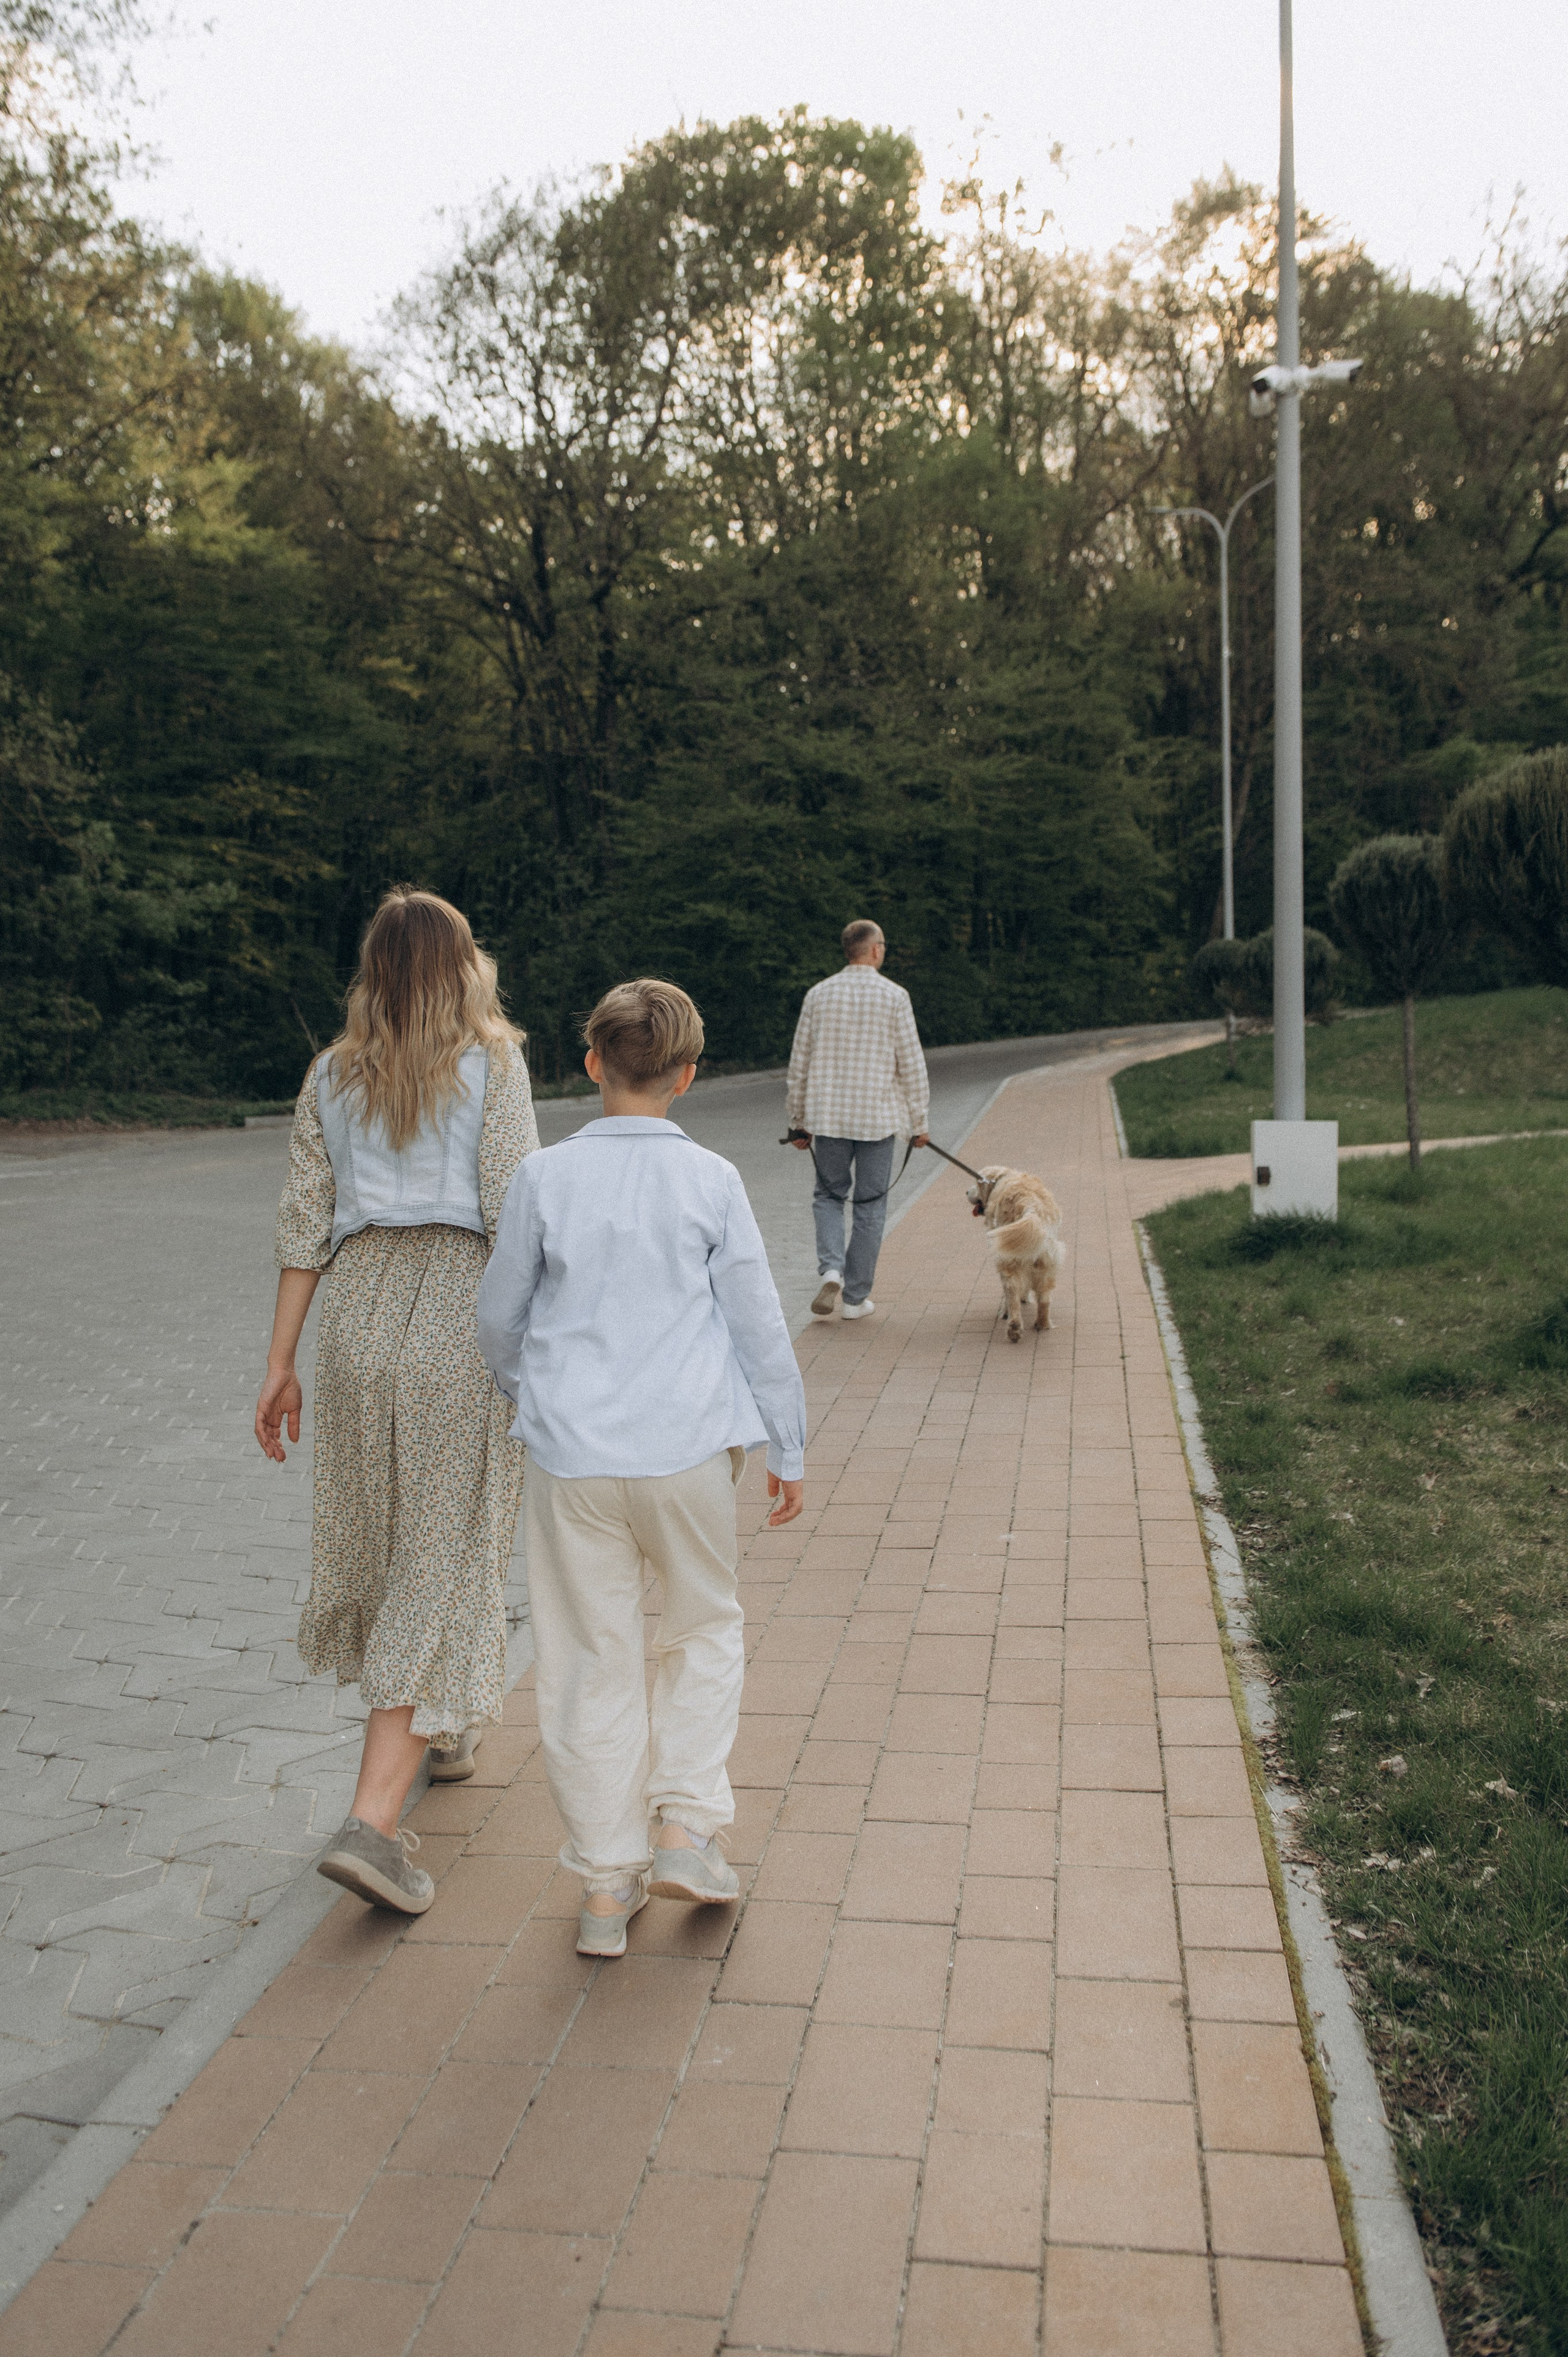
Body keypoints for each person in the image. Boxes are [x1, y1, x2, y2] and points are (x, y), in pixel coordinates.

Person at [477, 978, 807, 1959]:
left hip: (572, 1459)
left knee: (587, 1657)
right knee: (703, 1628)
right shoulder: (711, 1180)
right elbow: (756, 1320)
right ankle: (688, 1829)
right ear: (689, 1076)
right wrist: (787, 1443)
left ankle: (606, 1884)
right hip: (690, 1451)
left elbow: (499, 1318)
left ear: (590, 1065)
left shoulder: (543, 1177)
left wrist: (534, 1394)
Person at [255, 887, 538, 1917]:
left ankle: (446, 1727)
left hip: (357, 1318)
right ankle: (373, 1823)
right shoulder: (493, 1063)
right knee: (447, 1542)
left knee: (384, 1535)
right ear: (465, 965)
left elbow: (304, 1223)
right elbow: (517, 1210)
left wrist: (279, 1362)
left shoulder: (331, 1073)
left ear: (372, 970)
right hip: (461, 1308)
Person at [786, 918, 930, 1321]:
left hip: (828, 1119)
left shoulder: (818, 995)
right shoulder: (894, 996)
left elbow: (800, 1063)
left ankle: (831, 1267)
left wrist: (797, 1121)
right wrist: (918, 1123)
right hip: (876, 1121)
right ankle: (855, 1299)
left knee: (829, 1197)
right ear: (875, 949)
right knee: (870, 1205)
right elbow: (912, 1065)